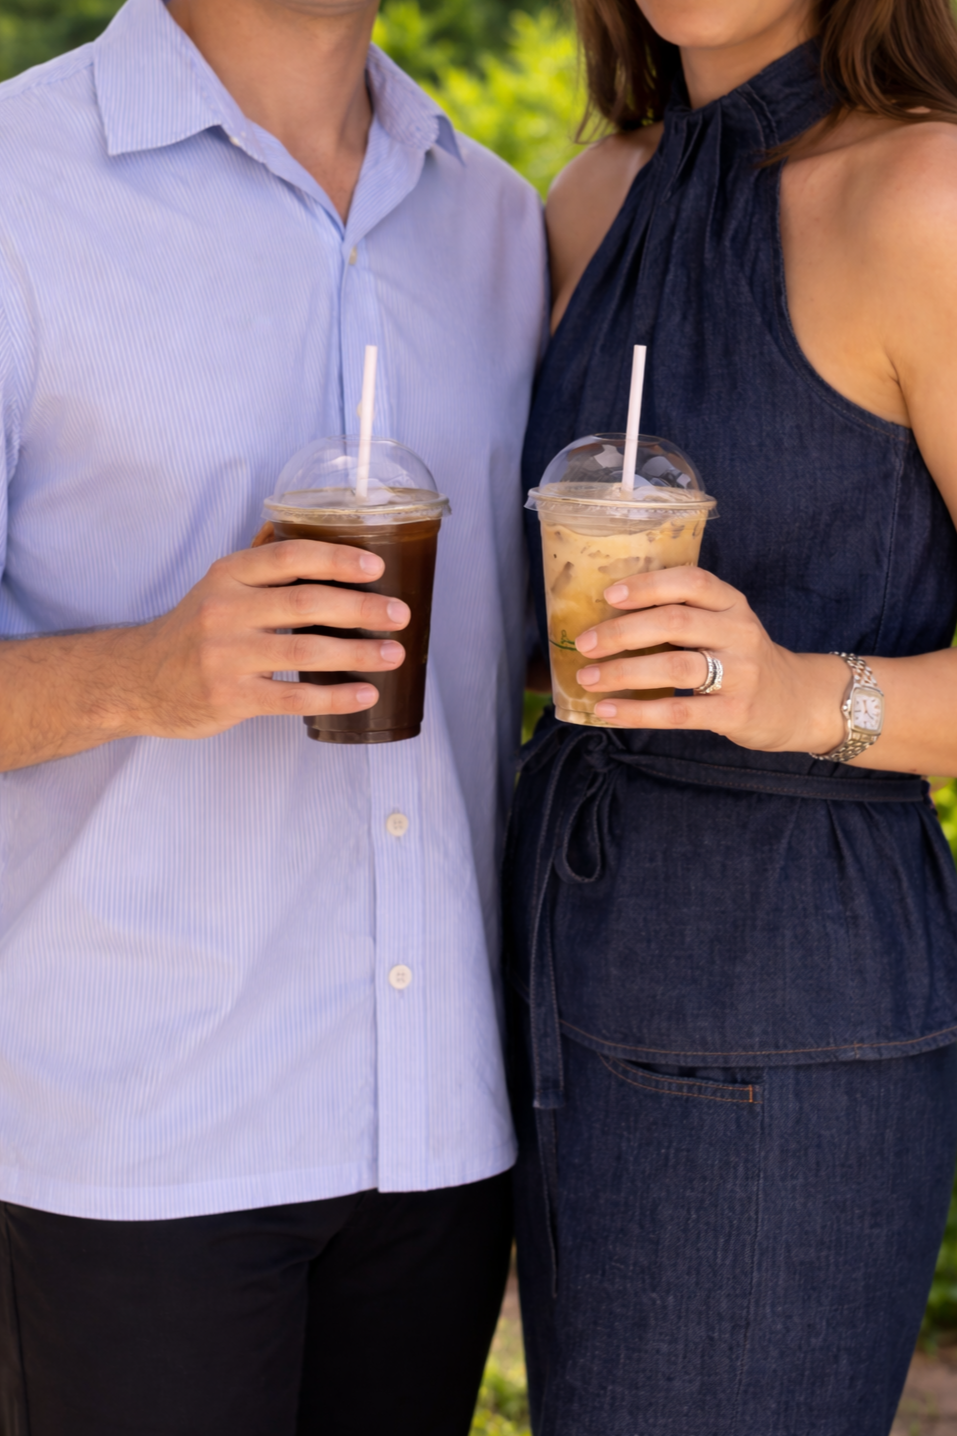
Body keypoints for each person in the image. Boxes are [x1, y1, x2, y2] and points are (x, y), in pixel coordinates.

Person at [0, 0, 546, 1431]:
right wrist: (151, 671)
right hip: (135, 1142)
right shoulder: (16, 188)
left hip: (435, 1142)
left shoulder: (497, 221)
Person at [506, 1, 957, 1432]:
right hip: (545, 975)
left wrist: (790, 694)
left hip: (791, 1004)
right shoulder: (594, 198)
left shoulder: (924, 197)